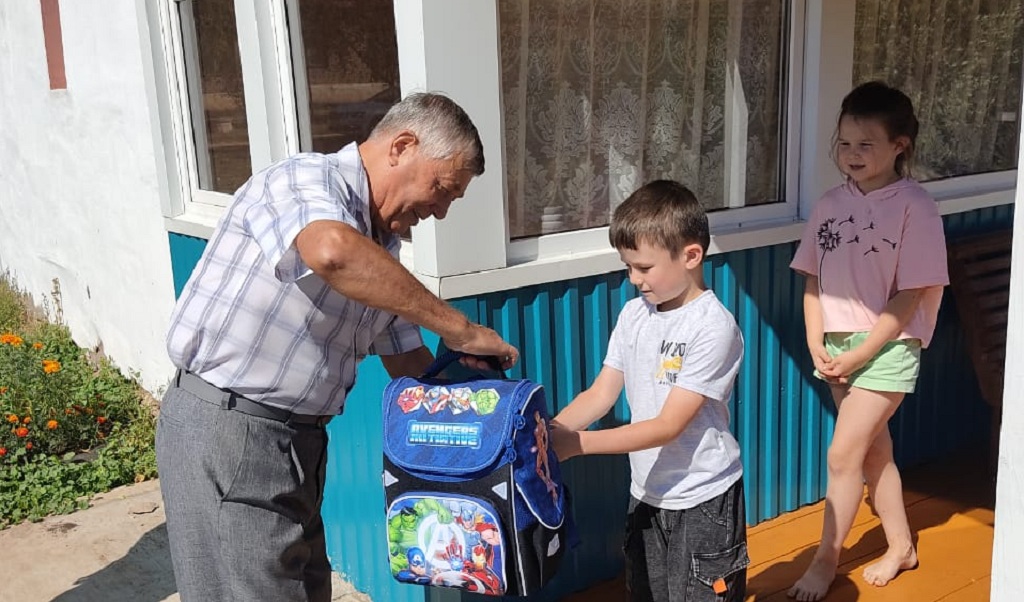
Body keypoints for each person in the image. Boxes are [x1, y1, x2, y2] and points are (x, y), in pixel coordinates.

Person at [156, 92, 519, 602]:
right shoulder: (305, 179)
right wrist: (459, 328)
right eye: (441, 188)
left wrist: (493, 422)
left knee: (304, 592)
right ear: (402, 147)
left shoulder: (380, 252)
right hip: (231, 431)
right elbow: (331, 252)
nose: (439, 211)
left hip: (296, 445)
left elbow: (410, 367)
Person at [550, 180, 748, 602]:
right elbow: (600, 394)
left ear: (691, 256)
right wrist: (549, 435)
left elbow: (667, 426)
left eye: (643, 267)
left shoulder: (713, 327)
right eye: (628, 266)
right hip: (646, 494)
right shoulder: (633, 315)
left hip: (703, 500)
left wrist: (578, 444)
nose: (633, 279)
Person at [787, 81, 948, 601]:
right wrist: (815, 337)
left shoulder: (916, 206)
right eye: (844, 143)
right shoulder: (830, 203)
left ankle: (825, 561)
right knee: (875, 454)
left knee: (842, 456)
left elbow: (910, 293)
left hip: (889, 346)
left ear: (900, 145)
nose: (851, 154)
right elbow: (813, 278)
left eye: (866, 144)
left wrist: (862, 351)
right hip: (836, 348)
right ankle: (901, 545)